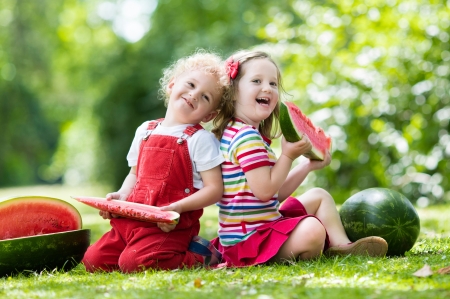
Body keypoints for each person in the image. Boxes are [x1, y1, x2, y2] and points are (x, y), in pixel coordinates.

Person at [209, 50, 388, 267]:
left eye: (273, 83)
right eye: (256, 81)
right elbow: (266, 192)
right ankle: (327, 244)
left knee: (319, 196)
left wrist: (307, 166)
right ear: (233, 92)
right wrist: (287, 156)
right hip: (248, 244)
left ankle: (342, 247)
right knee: (312, 229)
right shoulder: (245, 137)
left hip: (259, 229)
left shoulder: (240, 132)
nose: (267, 88)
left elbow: (274, 194)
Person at [82, 50, 228, 272]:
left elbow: (215, 189)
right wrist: (120, 196)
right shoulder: (145, 130)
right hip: (129, 224)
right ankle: (140, 248)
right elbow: (134, 175)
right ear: (172, 84)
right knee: (93, 261)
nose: (195, 94)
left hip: (168, 228)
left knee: (134, 264)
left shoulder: (201, 139)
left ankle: (200, 257)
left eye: (206, 97)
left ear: (208, 115)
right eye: (190, 84)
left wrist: (178, 207)